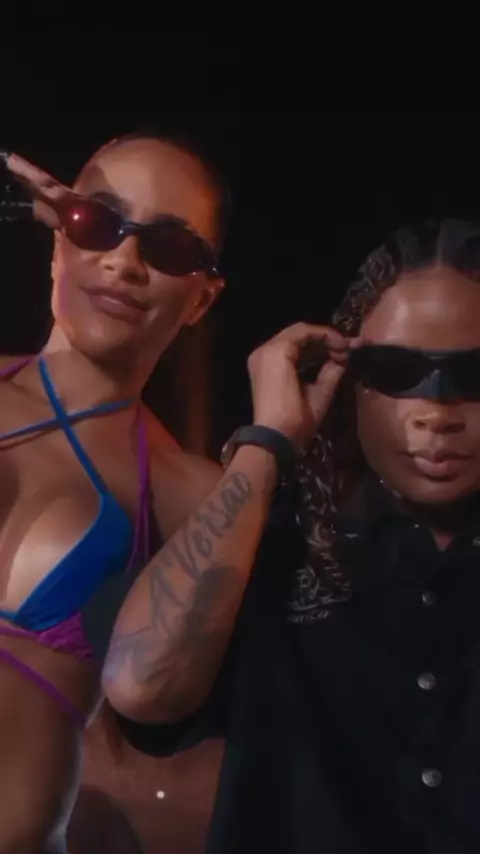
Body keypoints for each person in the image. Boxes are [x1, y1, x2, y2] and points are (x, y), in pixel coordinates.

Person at [104, 218, 480, 854]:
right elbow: (142, 688)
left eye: (474, 374)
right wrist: (268, 442)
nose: (437, 412)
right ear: (347, 375)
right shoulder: (272, 543)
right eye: (396, 369)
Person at [0, 133, 227, 853]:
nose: (125, 262)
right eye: (97, 222)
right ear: (56, 240)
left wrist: (271, 442)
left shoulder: (192, 493)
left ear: (202, 298)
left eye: (168, 247)